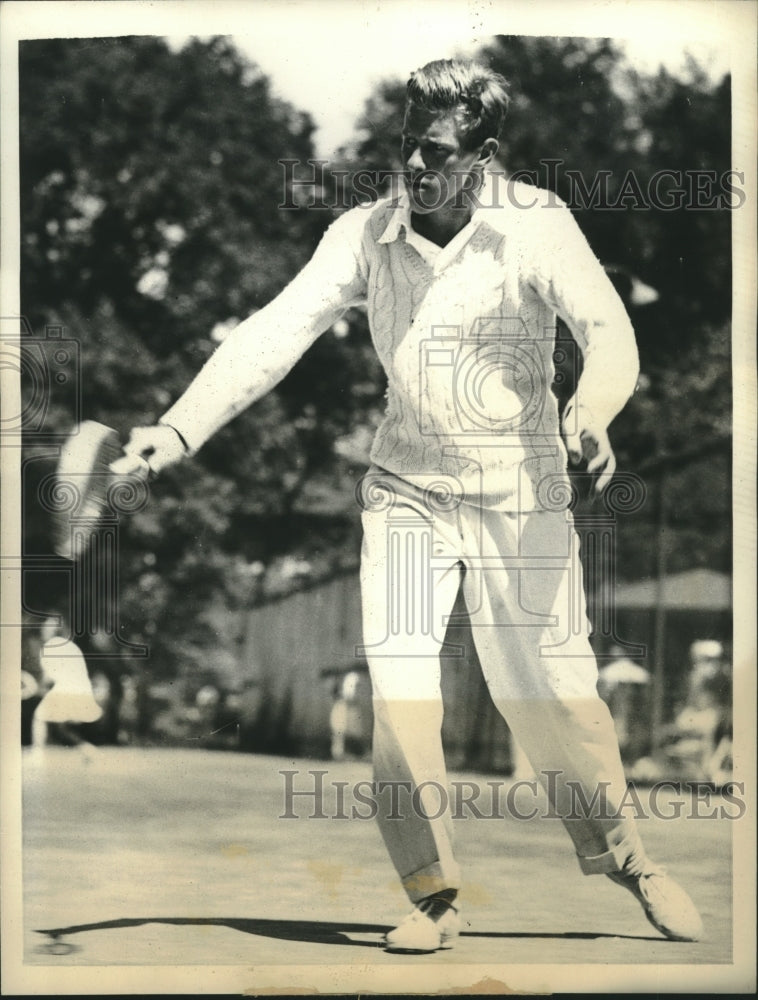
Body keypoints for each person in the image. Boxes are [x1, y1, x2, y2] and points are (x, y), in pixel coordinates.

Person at [122, 59, 703, 952]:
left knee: (552, 696)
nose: (416, 166)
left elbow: (607, 329)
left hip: (524, 487)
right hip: (406, 492)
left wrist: (594, 406)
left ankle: (628, 860)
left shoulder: (537, 223)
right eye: (406, 145)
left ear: (484, 155)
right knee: (400, 691)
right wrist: (178, 428)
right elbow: (277, 329)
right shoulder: (364, 233)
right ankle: (433, 897)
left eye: (435, 150)